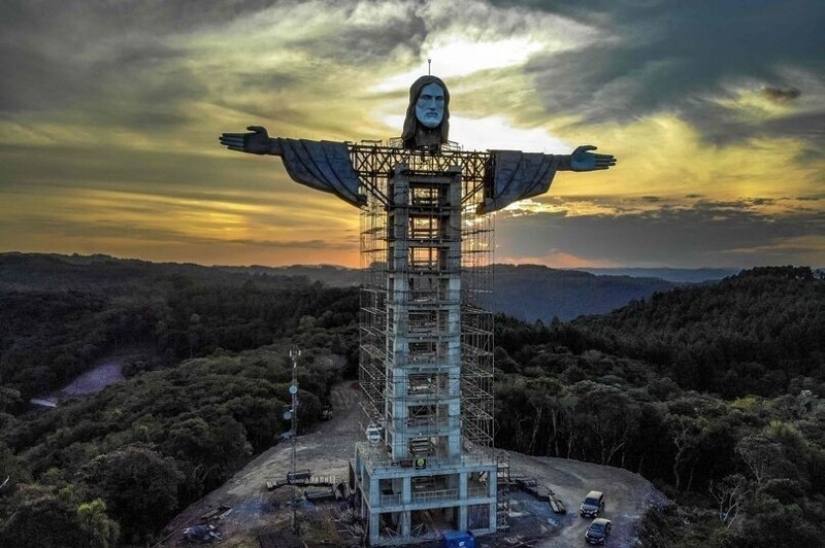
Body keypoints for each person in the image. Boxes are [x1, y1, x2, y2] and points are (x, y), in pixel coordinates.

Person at [219, 75, 616, 211]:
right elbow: (331, 154)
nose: (433, 106)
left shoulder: (472, 161)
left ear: (447, 109)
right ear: (413, 105)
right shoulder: (382, 157)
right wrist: (272, 147)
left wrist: (566, 161)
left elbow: (514, 162)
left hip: (451, 204)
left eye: (440, 100)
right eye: (425, 99)